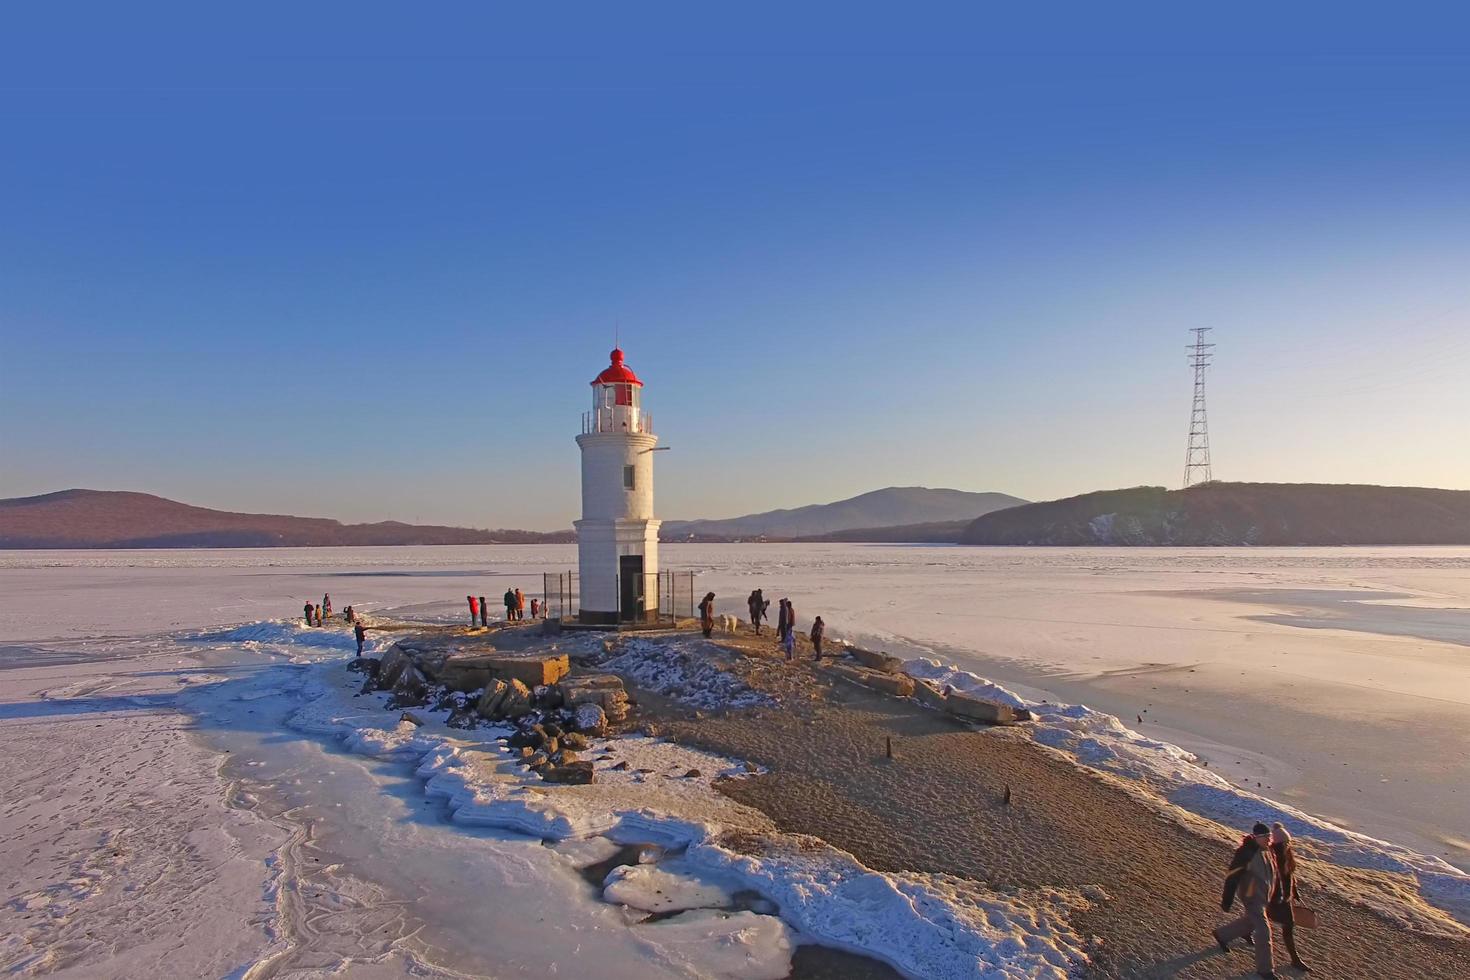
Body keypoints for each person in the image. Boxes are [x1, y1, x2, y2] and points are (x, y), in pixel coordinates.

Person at [1214, 822, 1278, 978]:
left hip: (1265, 896)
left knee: (1250, 921)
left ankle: (1222, 935)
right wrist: (1226, 900)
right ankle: (1266, 970)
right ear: (1256, 837)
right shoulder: (1245, 853)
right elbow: (1232, 877)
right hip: (1252, 897)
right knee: (1263, 931)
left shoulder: (1267, 850)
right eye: (1265, 837)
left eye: (1269, 836)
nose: (1268, 839)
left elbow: (1272, 873)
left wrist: (1276, 895)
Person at [1269, 823, 1310, 973]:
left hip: (1284, 899)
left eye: (1288, 842)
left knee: (1262, 920)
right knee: (1287, 927)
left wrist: (1295, 892)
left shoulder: (1287, 856)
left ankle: (1241, 933)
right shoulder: (1272, 858)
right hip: (1275, 899)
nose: (1287, 845)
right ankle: (1295, 960)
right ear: (1278, 843)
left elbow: (1290, 877)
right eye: (1284, 843)